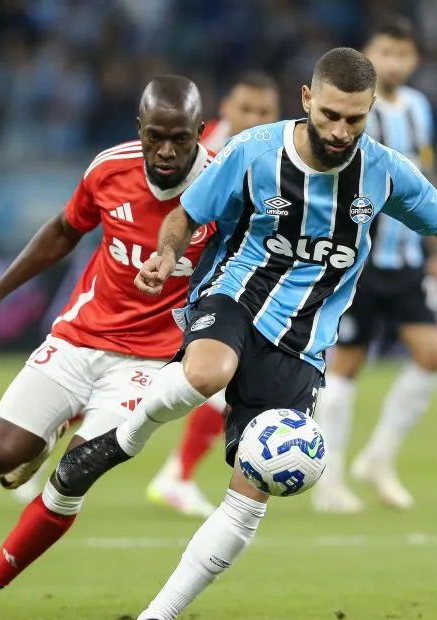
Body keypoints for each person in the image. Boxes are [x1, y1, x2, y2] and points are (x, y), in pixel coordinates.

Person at [45, 47, 437, 620]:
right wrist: (168, 254)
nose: (340, 130)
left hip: (303, 343)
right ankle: (118, 442)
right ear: (306, 99)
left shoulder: (383, 172)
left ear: (370, 111)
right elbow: (185, 214)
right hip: (235, 300)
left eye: (354, 119)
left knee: (255, 490)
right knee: (208, 370)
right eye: (329, 114)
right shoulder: (254, 151)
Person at [0, 75, 216, 620]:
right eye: (155, 136)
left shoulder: (223, 188)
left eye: (180, 139)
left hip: (150, 363)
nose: (166, 150)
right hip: (79, 337)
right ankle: (58, 422)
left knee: (75, 474)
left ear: (199, 134)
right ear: (138, 129)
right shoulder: (107, 169)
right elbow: (65, 231)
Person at [312, 18, 437, 513]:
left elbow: (426, 179)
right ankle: (327, 479)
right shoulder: (352, 113)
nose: (395, 62)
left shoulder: (417, 109)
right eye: (385, 52)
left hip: (407, 257)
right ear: (368, 56)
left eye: (403, 53)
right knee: (346, 366)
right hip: (359, 260)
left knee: (431, 354)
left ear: (414, 60)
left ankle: (378, 458)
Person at [147, 71, 281, 518]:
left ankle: (177, 476)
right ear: (226, 109)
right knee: (122, 368)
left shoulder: (274, 154)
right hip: (166, 274)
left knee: (224, 384)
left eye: (264, 112)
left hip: (219, 284)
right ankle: (48, 439)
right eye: (247, 109)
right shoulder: (197, 152)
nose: (255, 118)